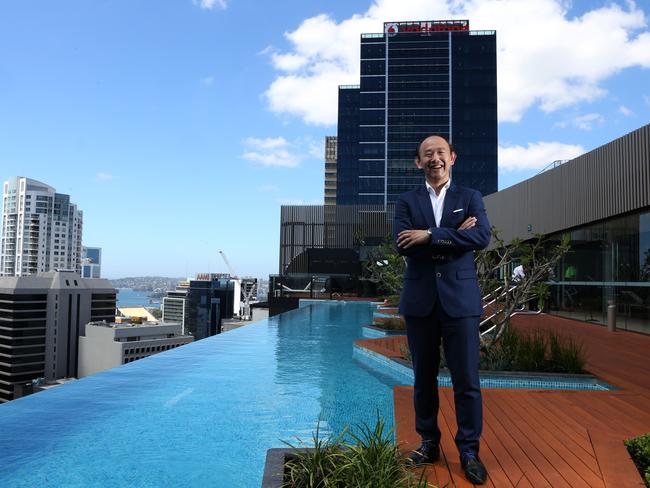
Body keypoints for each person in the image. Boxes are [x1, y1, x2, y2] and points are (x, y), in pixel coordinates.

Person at [393, 134, 490, 485]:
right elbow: (403, 244)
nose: (434, 158)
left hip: (460, 303)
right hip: (421, 303)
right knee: (423, 379)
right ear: (418, 162)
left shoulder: (470, 198)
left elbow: (481, 238)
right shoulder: (406, 201)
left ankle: (468, 450)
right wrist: (452, 234)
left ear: (452, 157)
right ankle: (429, 442)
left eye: (440, 152)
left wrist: (431, 235)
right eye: (426, 154)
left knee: (467, 381)